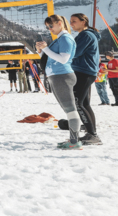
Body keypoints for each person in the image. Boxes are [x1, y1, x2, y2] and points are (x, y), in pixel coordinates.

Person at [35, 14, 81, 149]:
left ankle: (74, 142)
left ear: (60, 23)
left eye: (51, 26)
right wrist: (40, 52)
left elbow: (63, 59)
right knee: (68, 110)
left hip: (62, 76)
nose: (50, 29)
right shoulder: (59, 39)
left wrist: (45, 49)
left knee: (71, 111)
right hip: (57, 76)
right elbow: (50, 58)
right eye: (47, 27)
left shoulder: (66, 38)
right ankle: (73, 140)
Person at [69, 13, 101, 145]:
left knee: (78, 103)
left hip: (84, 72)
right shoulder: (87, 34)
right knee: (84, 103)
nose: (71, 24)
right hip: (85, 71)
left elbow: (75, 53)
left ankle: (93, 135)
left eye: (74, 21)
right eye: (70, 21)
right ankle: (91, 132)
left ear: (83, 22)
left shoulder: (86, 35)